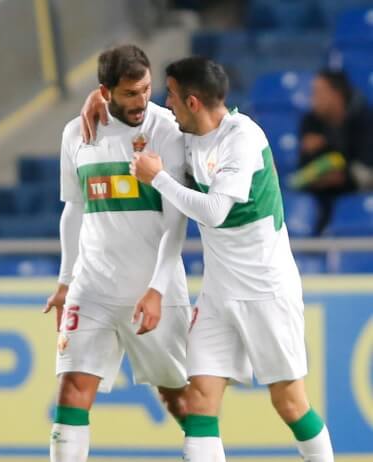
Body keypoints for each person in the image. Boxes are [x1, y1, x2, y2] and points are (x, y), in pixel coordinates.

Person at [80, 56, 331, 461]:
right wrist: (99, 97)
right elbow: (139, 110)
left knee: (290, 403)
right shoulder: (185, 132)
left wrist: (157, 178)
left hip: (265, 290)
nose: (166, 103)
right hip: (217, 294)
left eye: (172, 96)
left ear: (192, 101)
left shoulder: (243, 139)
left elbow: (214, 211)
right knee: (199, 402)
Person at [43, 45, 191, 462]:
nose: (142, 101)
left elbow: (176, 221)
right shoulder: (76, 133)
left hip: (151, 288)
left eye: (146, 90)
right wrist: (66, 279)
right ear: (104, 91)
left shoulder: (167, 130)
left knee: (180, 399)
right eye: (130, 93)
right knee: (72, 389)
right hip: (92, 287)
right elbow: (73, 208)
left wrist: (158, 289)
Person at [294, 69, 373, 233]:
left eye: (319, 92)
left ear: (337, 95)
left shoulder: (364, 121)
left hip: (358, 195)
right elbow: (304, 167)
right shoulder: (310, 122)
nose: (313, 98)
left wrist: (343, 176)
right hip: (320, 197)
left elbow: (366, 166)